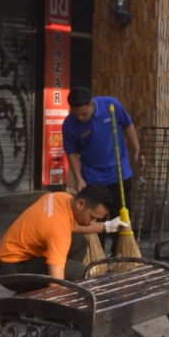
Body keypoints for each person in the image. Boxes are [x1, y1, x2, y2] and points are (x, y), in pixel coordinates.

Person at [0, 184, 122, 290]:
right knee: (79, 271)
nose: (92, 222)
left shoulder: (61, 198)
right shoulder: (58, 232)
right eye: (92, 217)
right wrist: (57, 297)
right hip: (12, 272)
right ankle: (45, 308)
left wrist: (108, 226)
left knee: (79, 242)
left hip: (13, 258)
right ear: (80, 204)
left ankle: (59, 287)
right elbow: (55, 281)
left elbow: (73, 227)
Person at [62, 85, 141, 249]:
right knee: (96, 219)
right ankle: (98, 256)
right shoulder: (69, 124)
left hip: (119, 172)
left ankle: (120, 254)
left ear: (93, 105)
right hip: (93, 177)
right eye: (77, 114)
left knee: (122, 216)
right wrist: (78, 177)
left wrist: (136, 149)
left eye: (84, 113)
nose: (81, 117)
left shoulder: (111, 106)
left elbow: (127, 124)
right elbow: (71, 152)